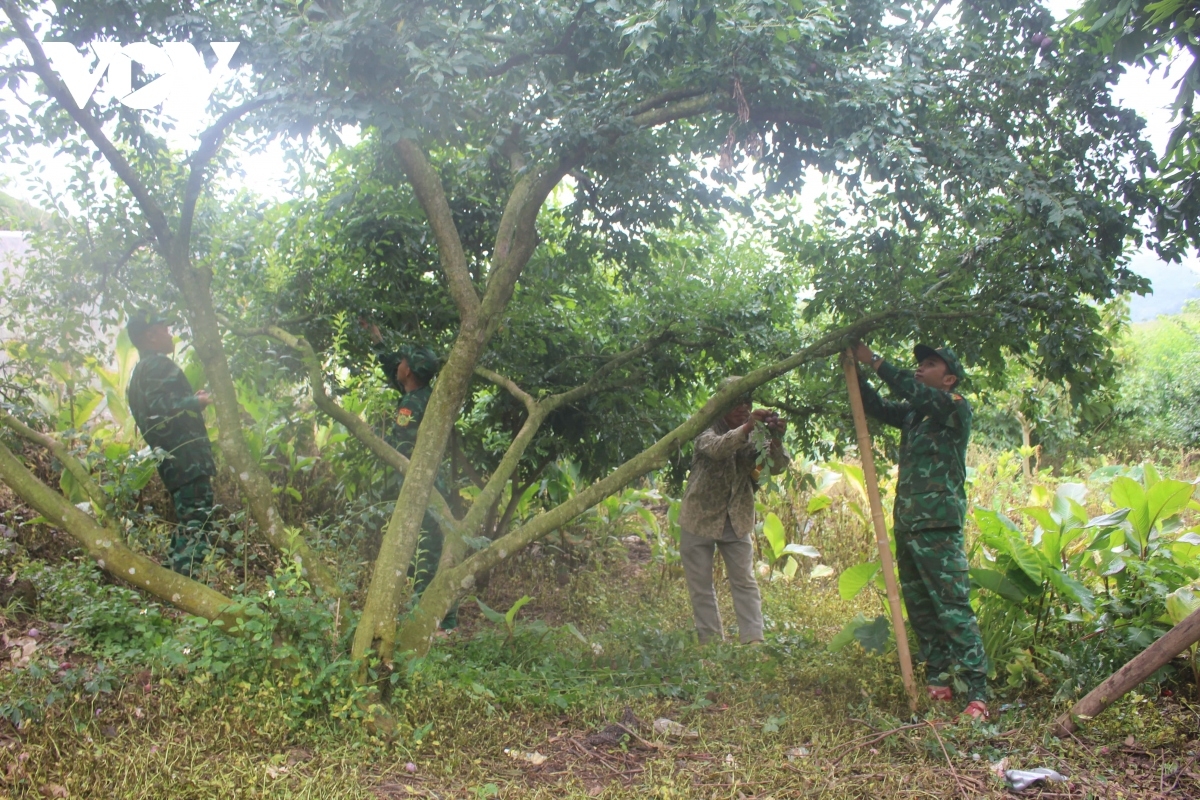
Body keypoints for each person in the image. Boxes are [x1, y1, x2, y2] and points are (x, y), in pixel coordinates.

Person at [852, 341, 989, 720]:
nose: (919, 369)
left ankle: (977, 691)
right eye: (920, 364)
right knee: (922, 608)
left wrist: (875, 361)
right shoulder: (915, 415)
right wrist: (856, 372)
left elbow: (908, 389)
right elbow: (877, 408)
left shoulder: (954, 407)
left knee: (952, 607)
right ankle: (939, 680)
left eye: (929, 364)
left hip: (939, 525)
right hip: (909, 524)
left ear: (948, 379)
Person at [678, 378, 789, 645]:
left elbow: (776, 467)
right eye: (736, 402)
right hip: (699, 517)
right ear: (722, 404)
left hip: (736, 517)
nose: (743, 407)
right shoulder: (705, 427)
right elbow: (717, 449)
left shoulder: (756, 434)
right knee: (701, 586)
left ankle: (753, 640)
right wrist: (748, 426)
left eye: (747, 402)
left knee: (745, 581)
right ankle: (712, 642)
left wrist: (774, 439)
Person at [360, 320, 455, 629]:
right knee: (431, 547)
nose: (397, 365)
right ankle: (441, 618)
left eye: (402, 362)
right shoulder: (424, 393)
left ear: (409, 372)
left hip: (422, 488)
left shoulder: (412, 405)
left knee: (426, 550)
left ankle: (432, 621)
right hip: (433, 485)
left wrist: (370, 435)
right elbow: (394, 372)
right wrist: (378, 341)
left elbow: (399, 447)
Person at [125, 309, 217, 578]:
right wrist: (194, 402)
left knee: (190, 521)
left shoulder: (139, 373)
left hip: (174, 462)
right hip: (186, 460)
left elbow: (160, 406)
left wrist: (191, 401)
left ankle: (170, 582)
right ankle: (182, 587)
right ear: (151, 336)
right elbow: (159, 408)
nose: (170, 335)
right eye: (164, 329)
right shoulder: (156, 365)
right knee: (198, 523)